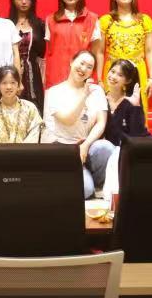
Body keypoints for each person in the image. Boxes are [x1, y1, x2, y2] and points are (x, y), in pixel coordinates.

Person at [43, 51, 115, 198]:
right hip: (64, 148)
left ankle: (97, 184)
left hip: (86, 146)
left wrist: (86, 144)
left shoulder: (97, 90)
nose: (83, 69)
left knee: (106, 147)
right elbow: (67, 120)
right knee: (85, 190)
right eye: (81, 63)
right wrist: (84, 96)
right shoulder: (54, 92)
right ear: (72, 62)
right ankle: (86, 183)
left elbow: (101, 123)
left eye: (89, 67)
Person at [97, 0, 152, 113]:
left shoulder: (144, 20)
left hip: (137, 71)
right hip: (113, 71)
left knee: (136, 111)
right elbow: (100, 52)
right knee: (111, 110)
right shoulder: (105, 21)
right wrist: (99, 79)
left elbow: (149, 51)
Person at [43, 0, 102, 90]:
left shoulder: (92, 19)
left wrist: (98, 79)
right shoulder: (51, 19)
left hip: (82, 76)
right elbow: (49, 53)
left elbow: (96, 53)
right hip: (56, 78)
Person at [0, 66, 42, 144]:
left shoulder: (30, 108)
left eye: (13, 82)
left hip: (26, 151)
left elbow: (34, 134)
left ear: (18, 85)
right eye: (4, 83)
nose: (8, 87)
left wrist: (23, 150)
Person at [8, 0, 47, 106]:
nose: (24, 2)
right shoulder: (6, 24)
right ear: (13, 0)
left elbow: (42, 55)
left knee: (34, 108)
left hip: (33, 73)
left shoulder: (39, 25)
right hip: (11, 72)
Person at [102, 59, 151, 147]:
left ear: (128, 81)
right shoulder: (100, 98)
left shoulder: (131, 101)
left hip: (129, 148)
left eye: (120, 75)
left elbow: (138, 134)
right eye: (112, 71)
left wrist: (136, 107)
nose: (113, 76)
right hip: (106, 148)